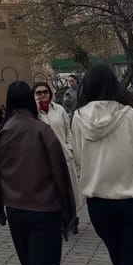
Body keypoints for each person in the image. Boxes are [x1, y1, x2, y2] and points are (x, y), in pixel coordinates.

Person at [72, 64, 133, 265]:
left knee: (121, 261)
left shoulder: (78, 118)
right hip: (131, 202)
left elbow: (80, 159)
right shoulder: (129, 115)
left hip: (99, 205)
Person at [0, 81, 77, 265]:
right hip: (45, 209)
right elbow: (60, 173)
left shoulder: (2, 134)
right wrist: (69, 211)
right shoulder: (42, 130)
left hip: (15, 210)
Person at [33, 81, 81, 210]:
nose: (43, 95)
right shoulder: (32, 114)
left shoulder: (59, 109)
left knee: (68, 189)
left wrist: (69, 147)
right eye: (38, 92)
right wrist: (35, 111)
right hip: (44, 160)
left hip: (63, 156)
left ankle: (72, 219)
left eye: (45, 92)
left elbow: (68, 129)